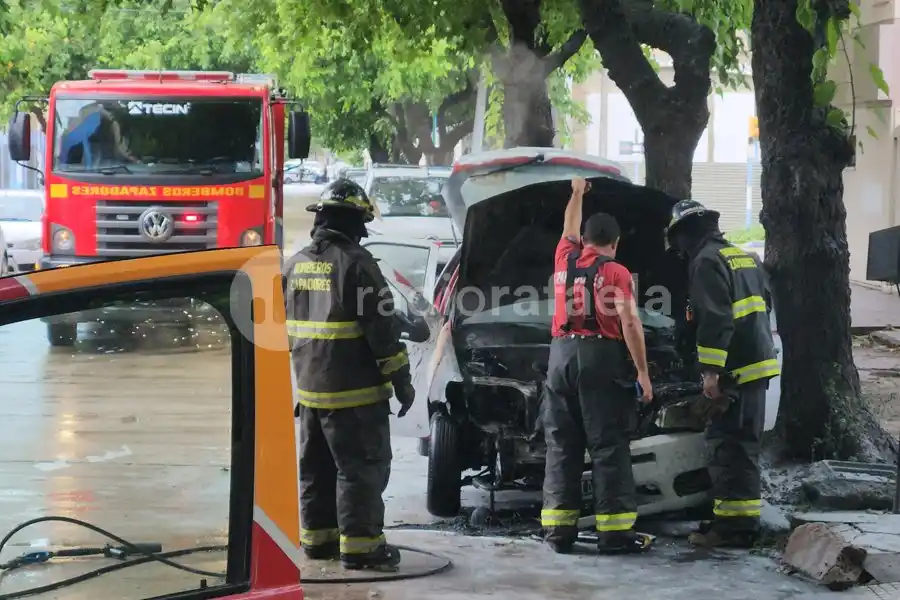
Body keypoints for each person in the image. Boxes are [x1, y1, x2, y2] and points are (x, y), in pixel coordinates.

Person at [283, 178, 416, 571]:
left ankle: (317, 541)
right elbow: (383, 334)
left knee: (317, 470)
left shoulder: (295, 264)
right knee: (360, 470)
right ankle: (362, 549)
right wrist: (403, 382)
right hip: (355, 396)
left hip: (310, 394)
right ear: (356, 221)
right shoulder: (357, 264)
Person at [540, 176, 655, 555]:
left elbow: (568, 226)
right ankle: (615, 534)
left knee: (562, 445)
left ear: (584, 240)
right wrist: (642, 372)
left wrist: (576, 193)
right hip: (600, 358)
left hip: (559, 357)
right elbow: (630, 322)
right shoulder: (616, 272)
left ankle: (559, 533)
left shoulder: (563, 258)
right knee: (608, 446)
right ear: (615, 243)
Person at [665, 199, 779, 548]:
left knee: (729, 448)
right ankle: (736, 522)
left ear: (685, 235)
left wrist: (711, 373)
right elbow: (765, 305)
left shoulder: (706, 261)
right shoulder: (745, 257)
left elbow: (715, 319)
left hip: (735, 371)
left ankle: (733, 529)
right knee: (744, 445)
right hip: (757, 363)